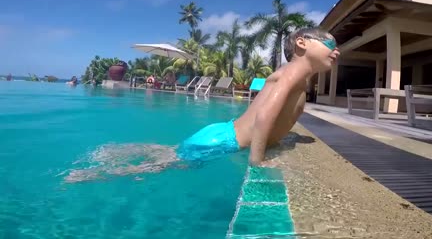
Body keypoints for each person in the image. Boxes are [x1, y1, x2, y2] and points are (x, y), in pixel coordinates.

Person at [64, 27, 340, 183]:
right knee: (166, 165)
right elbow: (266, 115)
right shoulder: (292, 72)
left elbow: (280, 118)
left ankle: (119, 152)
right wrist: (258, 162)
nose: (336, 50)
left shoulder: (299, 80)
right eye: (330, 43)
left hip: (222, 134)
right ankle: (92, 174)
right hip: (225, 141)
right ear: (302, 44)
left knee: (174, 155)